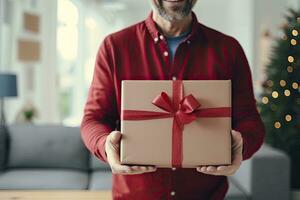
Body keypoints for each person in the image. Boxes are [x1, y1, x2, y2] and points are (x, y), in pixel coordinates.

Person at [80, 0, 265, 199]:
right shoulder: (114, 47)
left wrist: (241, 145)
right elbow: (93, 119)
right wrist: (104, 144)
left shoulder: (228, 49)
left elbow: (250, 121)